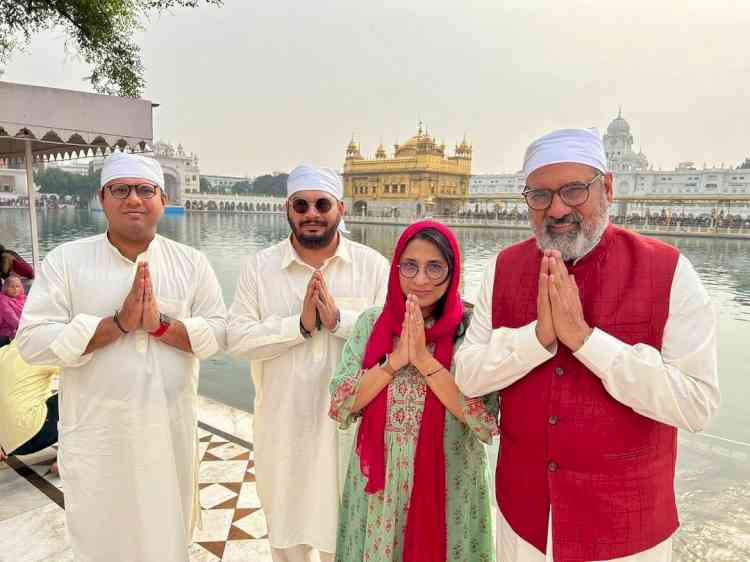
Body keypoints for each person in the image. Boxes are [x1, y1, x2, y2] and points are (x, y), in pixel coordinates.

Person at [455, 128, 720, 562]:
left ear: (607, 187)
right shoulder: (505, 268)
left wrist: (586, 340)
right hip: (525, 524)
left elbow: (697, 405)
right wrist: (537, 339)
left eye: (574, 190)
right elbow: (467, 375)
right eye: (540, 196)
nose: (557, 209)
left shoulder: (668, 271)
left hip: (625, 532)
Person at [16, 151, 228, 562]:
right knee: (101, 541)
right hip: (99, 436)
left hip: (168, 432)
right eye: (121, 189)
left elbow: (220, 333)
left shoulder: (192, 263)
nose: (134, 199)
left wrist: (162, 325)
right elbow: (32, 342)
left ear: (162, 199)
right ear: (102, 197)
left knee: (166, 539)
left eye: (145, 190)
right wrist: (116, 324)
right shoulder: (67, 261)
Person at [227, 164, 389, 562]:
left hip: (351, 434)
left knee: (349, 539)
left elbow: (394, 339)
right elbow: (237, 340)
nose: (312, 213)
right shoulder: (260, 268)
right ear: (288, 209)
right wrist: (297, 326)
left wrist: (339, 321)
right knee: (286, 538)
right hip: (283, 430)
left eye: (322, 204)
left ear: (341, 209)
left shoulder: (371, 267)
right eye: (302, 204)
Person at [329, 221, 498, 562]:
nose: (421, 280)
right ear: (396, 268)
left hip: (449, 484)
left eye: (435, 267)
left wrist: (423, 359)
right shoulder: (371, 324)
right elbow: (342, 405)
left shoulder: (470, 331)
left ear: (453, 272)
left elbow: (481, 422)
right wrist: (394, 362)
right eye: (410, 265)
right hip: (379, 488)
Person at [0, 342, 59, 471]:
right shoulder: (41, 352)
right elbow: (79, 372)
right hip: (34, 435)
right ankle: (69, 459)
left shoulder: (3, 352)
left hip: (6, 445)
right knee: (78, 392)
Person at [0, 275, 24, 346]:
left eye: (17, 286)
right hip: (6, 332)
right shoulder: (2, 300)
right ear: (6, 288)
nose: (15, 289)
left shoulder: (23, 299)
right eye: (12, 286)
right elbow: (12, 319)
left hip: (21, 328)